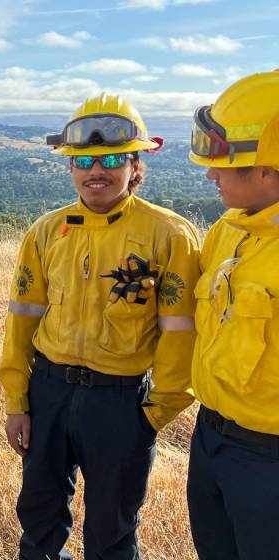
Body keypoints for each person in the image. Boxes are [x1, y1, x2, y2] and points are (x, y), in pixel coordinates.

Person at [0, 93, 201, 559]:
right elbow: (22, 322)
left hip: (122, 399)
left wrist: (155, 412)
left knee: (113, 528)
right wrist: (17, 400)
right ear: (69, 166)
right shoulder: (46, 232)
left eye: (111, 158)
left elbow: (181, 332)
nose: (96, 171)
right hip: (49, 392)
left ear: (135, 164)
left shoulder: (168, 235)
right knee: (40, 517)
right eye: (83, 160)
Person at [185, 70, 279, 560]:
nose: (210, 174)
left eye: (222, 162)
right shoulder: (227, 229)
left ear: (267, 169)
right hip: (211, 436)